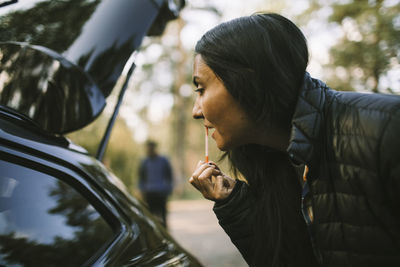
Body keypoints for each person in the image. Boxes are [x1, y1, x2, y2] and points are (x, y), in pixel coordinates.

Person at [189, 12, 400, 267]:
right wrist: (234, 204)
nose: (196, 111)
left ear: (248, 79)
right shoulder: (274, 160)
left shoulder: (387, 128)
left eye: (201, 89)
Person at [139, 140, 173, 228]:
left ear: (155, 148)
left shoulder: (163, 160)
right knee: (150, 217)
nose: (150, 150)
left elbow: (169, 175)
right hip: (149, 193)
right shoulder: (145, 162)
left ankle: (165, 233)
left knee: (163, 216)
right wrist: (142, 191)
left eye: (152, 148)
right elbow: (141, 177)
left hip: (161, 193)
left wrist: (168, 189)